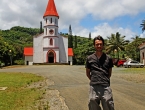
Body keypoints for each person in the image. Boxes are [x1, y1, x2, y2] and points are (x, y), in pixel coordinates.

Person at [85, 35, 115, 110]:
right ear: (94, 45)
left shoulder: (108, 58)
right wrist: (94, 79)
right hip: (94, 86)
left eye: (100, 44)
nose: (99, 46)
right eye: (97, 44)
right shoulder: (89, 58)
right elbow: (88, 73)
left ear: (103, 45)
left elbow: (109, 72)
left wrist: (104, 79)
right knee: (92, 105)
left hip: (105, 86)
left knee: (109, 105)